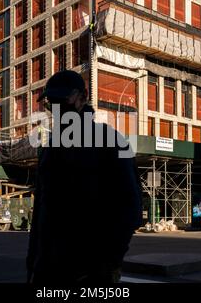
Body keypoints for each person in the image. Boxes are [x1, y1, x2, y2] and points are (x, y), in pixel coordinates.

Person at [26, 70, 142, 284]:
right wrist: (33, 264)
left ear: (84, 96)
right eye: (52, 102)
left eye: (65, 98)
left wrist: (108, 263)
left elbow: (132, 208)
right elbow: (42, 212)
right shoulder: (50, 148)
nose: (58, 106)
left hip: (91, 273)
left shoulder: (111, 140)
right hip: (48, 271)